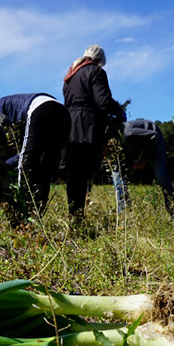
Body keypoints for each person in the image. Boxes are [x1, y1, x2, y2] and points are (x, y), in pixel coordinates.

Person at [63, 44, 126, 219]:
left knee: (73, 175)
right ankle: (78, 218)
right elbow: (103, 101)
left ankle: (73, 215)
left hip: (70, 127)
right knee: (84, 173)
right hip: (87, 126)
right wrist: (119, 111)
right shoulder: (96, 72)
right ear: (100, 60)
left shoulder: (70, 76)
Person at [0, 93, 70, 214]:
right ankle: (37, 215)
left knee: (26, 166)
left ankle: (24, 215)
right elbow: (22, 152)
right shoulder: (12, 107)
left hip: (40, 109)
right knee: (45, 170)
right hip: (63, 113)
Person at [110, 119, 174, 216]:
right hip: (132, 145)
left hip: (154, 139)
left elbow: (154, 135)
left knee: (161, 175)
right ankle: (124, 214)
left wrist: (144, 159)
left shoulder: (129, 133)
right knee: (117, 175)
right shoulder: (110, 143)